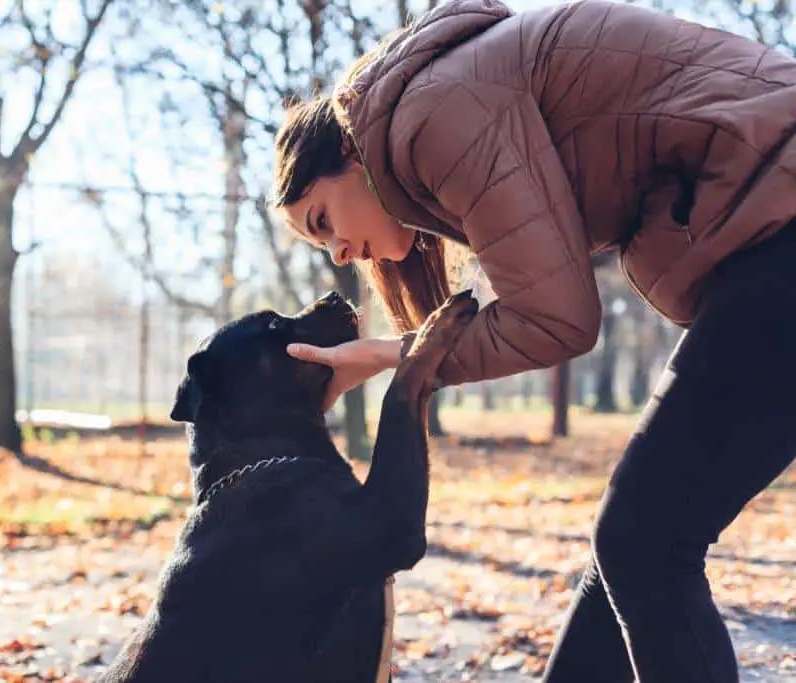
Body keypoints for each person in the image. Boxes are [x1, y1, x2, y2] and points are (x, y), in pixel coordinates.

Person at [270, 0, 796, 681]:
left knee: (641, 542)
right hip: (770, 240)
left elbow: (557, 317)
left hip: (781, 231)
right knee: (630, 547)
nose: (340, 253)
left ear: (347, 151)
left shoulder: (430, 115)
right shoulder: (442, 98)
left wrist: (386, 355)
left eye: (322, 220)